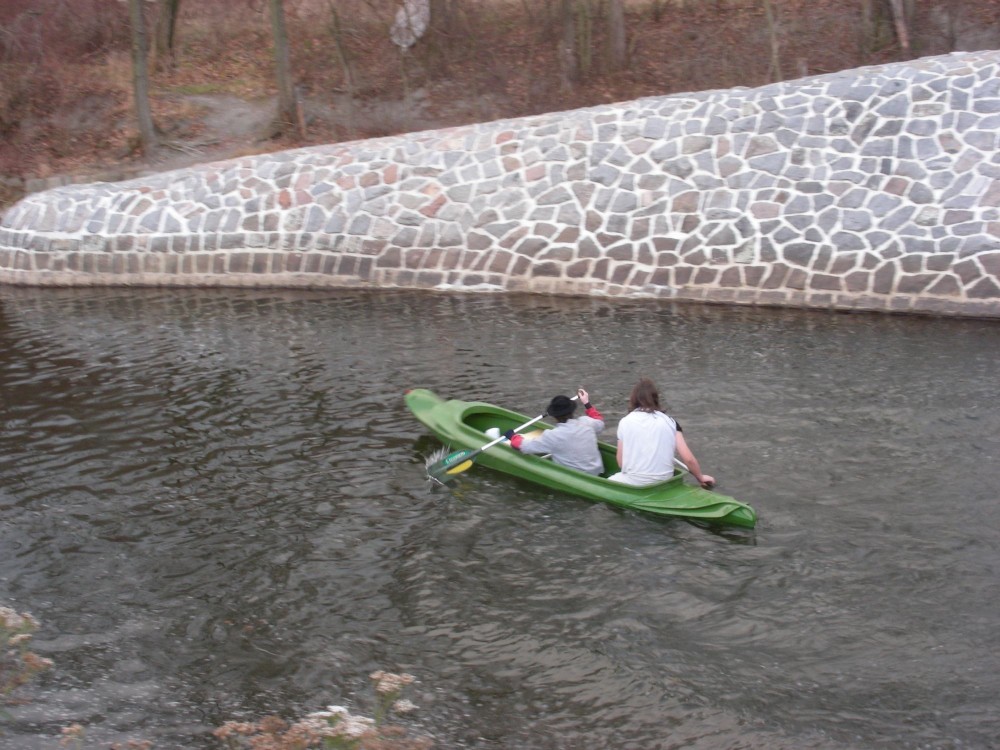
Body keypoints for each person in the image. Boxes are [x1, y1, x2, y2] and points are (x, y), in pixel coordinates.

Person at [608, 378, 716, 488]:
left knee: (607, 482)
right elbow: (688, 459)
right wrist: (700, 477)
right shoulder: (671, 422)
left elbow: (621, 463)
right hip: (665, 479)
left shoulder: (625, 422)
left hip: (636, 481)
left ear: (633, 399)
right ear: (656, 398)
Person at [503, 388, 605, 475]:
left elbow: (523, 446)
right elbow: (599, 420)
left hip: (577, 477)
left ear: (554, 416)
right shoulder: (587, 422)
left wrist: (512, 436)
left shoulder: (552, 436)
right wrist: (587, 403)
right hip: (597, 471)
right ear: (572, 411)